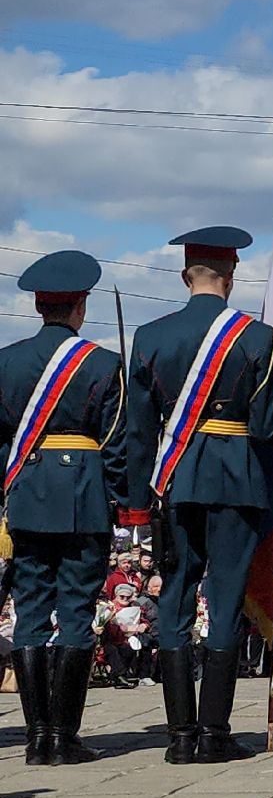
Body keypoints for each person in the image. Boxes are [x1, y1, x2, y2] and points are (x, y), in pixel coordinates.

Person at [122, 227, 273, 764]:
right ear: (230, 278)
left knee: (176, 595)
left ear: (185, 276)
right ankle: (215, 732)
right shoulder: (257, 338)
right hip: (237, 477)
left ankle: (180, 735)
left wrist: (139, 502)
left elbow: (139, 433)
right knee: (228, 596)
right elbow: (265, 426)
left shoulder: (150, 336)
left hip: (175, 478)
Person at [0, 251, 136, 765]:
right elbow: (119, 445)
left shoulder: (5, 362)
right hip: (85, 500)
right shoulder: (103, 364)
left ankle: (37, 738)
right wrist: (124, 501)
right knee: (77, 612)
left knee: (31, 612)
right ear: (81, 306)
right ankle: (65, 736)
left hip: (29, 496)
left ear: (38, 304)